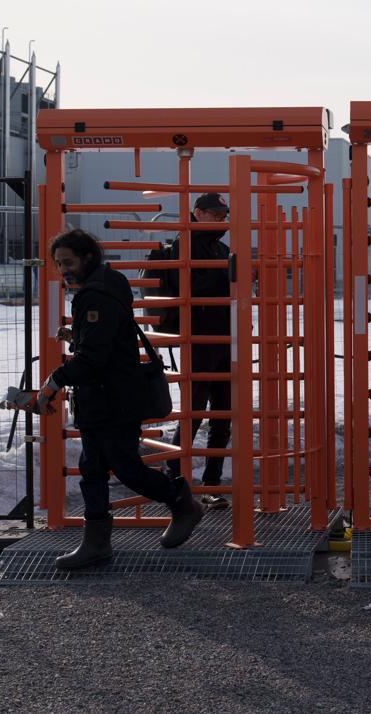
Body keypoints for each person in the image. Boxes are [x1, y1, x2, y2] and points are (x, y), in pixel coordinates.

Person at [32, 228, 204, 569]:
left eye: (68, 262)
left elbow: (95, 357)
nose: (63, 270)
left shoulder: (94, 296)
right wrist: (78, 334)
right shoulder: (107, 284)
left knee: (124, 466)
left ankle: (181, 502)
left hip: (113, 399)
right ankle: (95, 544)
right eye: (58, 264)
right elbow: (105, 339)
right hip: (103, 397)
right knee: (92, 469)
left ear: (87, 258)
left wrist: (54, 380)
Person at [150, 192, 233, 510]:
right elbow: (189, 290)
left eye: (223, 213)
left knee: (223, 415)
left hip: (224, 340)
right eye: (215, 213)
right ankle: (175, 474)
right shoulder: (183, 246)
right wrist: (225, 278)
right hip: (197, 340)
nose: (221, 218)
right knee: (194, 412)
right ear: (197, 213)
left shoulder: (223, 249)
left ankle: (212, 482)